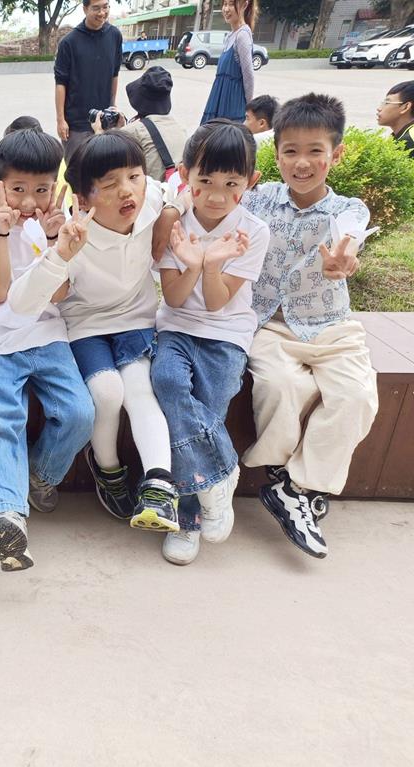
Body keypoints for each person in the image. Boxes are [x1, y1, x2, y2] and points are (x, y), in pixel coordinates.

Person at [8, 132, 189, 533]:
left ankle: (159, 487)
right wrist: (60, 253)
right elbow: (22, 301)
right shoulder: (75, 233)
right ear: (83, 199)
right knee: (107, 393)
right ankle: (107, 468)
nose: (127, 191)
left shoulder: (150, 199)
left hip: (136, 320)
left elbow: (184, 186)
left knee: (140, 391)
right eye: (110, 184)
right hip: (86, 326)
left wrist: (171, 212)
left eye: (134, 176)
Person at [241, 94, 377, 558]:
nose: (302, 163)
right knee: (280, 386)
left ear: (335, 154)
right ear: (276, 154)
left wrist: (345, 259)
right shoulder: (259, 199)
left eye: (315, 151)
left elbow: (349, 237)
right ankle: (284, 476)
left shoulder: (348, 209)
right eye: (291, 151)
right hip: (268, 324)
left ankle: (296, 488)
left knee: (356, 396)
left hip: (330, 325)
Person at [0, 121, 95, 573]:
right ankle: (8, 515)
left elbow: (57, 296)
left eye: (41, 190)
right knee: (2, 420)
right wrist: (2, 235)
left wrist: (56, 245)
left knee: (80, 413)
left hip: (47, 337)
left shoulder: (55, 229)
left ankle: (41, 474)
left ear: (55, 188)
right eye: (17, 189)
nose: (28, 202)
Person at [151, 120, 269, 566]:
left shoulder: (252, 232)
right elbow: (175, 299)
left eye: (231, 184)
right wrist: (193, 263)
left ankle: (191, 515)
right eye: (206, 181)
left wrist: (212, 265)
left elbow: (218, 304)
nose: (217, 195)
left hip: (226, 332)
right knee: (167, 382)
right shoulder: (174, 227)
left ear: (250, 182)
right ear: (185, 175)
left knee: (211, 403)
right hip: (176, 327)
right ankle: (220, 474)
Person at [54, 0, 123, 170]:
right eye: (96, 8)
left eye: (105, 7)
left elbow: (114, 74)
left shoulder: (115, 35)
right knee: (77, 173)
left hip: (105, 120)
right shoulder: (69, 42)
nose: (102, 13)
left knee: (105, 173)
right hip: (76, 124)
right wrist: (61, 120)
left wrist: (113, 105)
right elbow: (61, 83)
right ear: (85, 9)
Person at [113, 66, 188, 182]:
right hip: (175, 191)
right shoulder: (181, 129)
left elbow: (104, 162)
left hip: (148, 192)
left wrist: (101, 132)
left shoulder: (133, 131)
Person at [200, 0, 256, 123]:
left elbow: (248, 75)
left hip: (232, 105)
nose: (226, 9)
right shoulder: (230, 36)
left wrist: (249, 107)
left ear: (244, 5)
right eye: (225, 4)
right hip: (218, 100)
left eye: (231, 4)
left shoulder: (243, 35)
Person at [376, 81, 414, 157]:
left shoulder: (408, 141)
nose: (379, 109)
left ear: (406, 107)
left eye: (387, 103)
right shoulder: (403, 135)